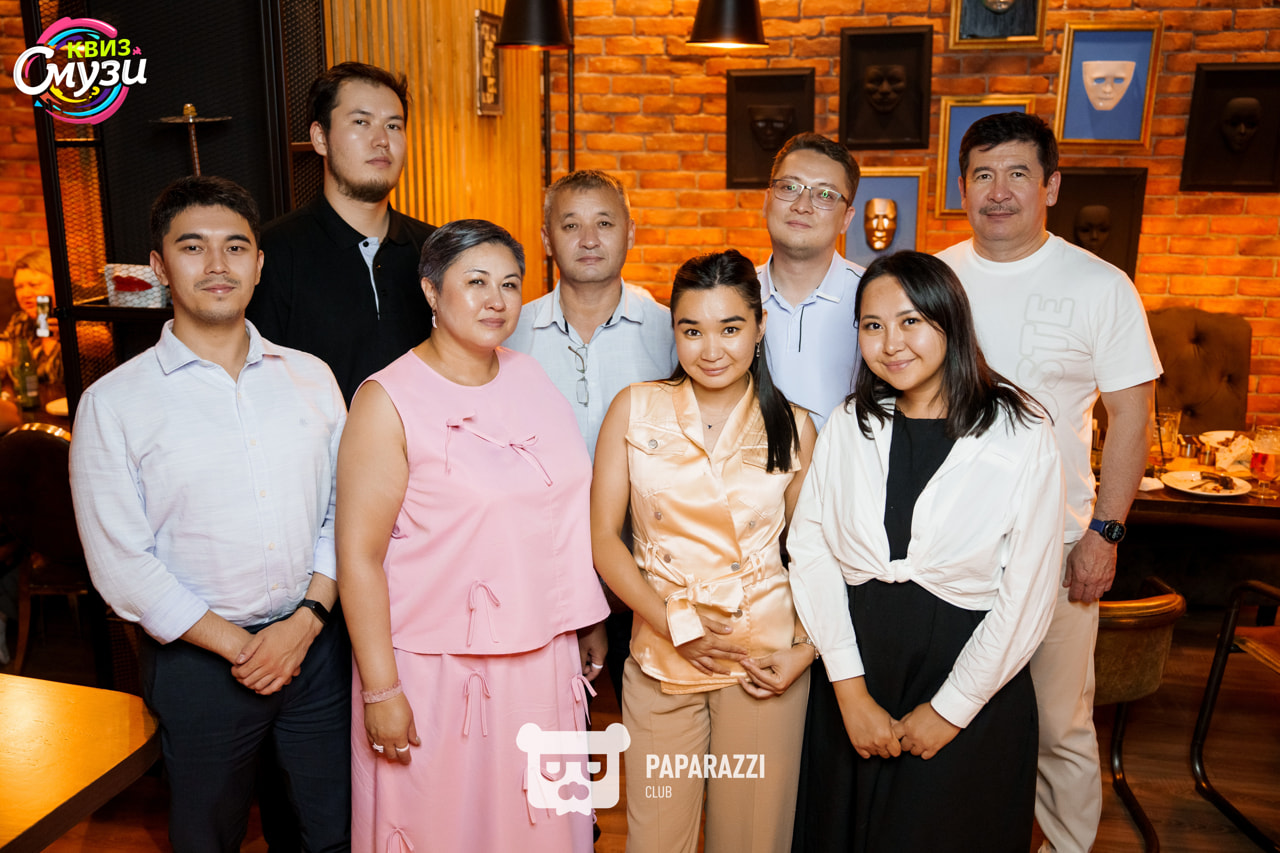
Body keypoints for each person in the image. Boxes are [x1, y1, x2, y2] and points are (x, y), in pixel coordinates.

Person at [69, 176, 350, 853]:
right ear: (160, 267)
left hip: (314, 648)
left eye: (236, 247)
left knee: (331, 834)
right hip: (198, 664)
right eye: (193, 247)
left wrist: (305, 623)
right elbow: (122, 564)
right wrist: (241, 647)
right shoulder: (114, 403)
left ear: (259, 263)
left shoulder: (312, 377)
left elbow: (345, 512)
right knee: (208, 838)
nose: (218, 265)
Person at [338, 219, 609, 853]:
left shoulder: (530, 376)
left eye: (511, 284)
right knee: (443, 827)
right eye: (477, 282)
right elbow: (358, 558)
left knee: (536, 830)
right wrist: (381, 688)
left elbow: (560, 512)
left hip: (541, 658)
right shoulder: (387, 399)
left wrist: (586, 617)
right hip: (439, 672)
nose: (497, 300)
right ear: (431, 290)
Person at [787, 250, 1064, 851]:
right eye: (872, 325)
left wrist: (950, 709)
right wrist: (850, 691)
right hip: (857, 671)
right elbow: (810, 551)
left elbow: (1029, 592)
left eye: (910, 320)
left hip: (972, 678)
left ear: (950, 320)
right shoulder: (850, 423)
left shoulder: (1021, 432)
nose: (891, 343)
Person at [937, 111, 1160, 853]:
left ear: (1052, 186)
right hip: (945, 549)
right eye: (982, 175)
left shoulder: (1101, 286)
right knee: (953, 714)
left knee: (1060, 725)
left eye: (1018, 174)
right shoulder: (934, 280)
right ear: (963, 188)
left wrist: (1105, 532)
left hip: (1056, 546)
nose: (998, 191)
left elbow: (1132, 417)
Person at [591, 249, 817, 853]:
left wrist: (806, 649)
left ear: (760, 328)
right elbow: (604, 541)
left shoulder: (793, 425)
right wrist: (674, 625)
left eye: (730, 328)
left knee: (751, 841)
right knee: (655, 841)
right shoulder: (634, 408)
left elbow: (815, 558)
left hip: (762, 662)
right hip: (661, 654)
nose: (710, 349)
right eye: (691, 330)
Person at [506, 168, 677, 702]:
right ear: (546, 239)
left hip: (651, 580)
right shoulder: (510, 333)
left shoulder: (670, 330)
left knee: (648, 731)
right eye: (570, 224)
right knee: (550, 733)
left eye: (604, 223)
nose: (588, 239)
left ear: (631, 231)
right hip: (539, 578)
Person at [248, 61, 435, 404]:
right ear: (320, 137)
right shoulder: (272, 253)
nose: (381, 140)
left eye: (393, 125)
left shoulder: (437, 251)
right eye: (361, 122)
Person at [758, 132, 864, 430]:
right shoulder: (732, 295)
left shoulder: (875, 297)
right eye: (789, 187)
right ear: (766, 201)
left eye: (825, 195)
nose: (802, 205)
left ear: (846, 219)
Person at [1, 249, 62, 386]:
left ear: (58, 283)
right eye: (19, 287)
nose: (25, 294)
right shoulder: (20, 321)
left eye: (34, 285)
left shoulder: (78, 319)